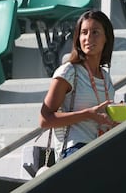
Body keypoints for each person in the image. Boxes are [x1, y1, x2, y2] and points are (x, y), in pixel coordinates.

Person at [39, 10, 116, 160]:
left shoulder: (106, 77)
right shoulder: (68, 72)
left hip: (102, 147)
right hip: (75, 151)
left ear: (106, 37)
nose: (88, 38)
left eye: (95, 32)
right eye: (84, 32)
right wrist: (88, 114)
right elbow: (44, 120)